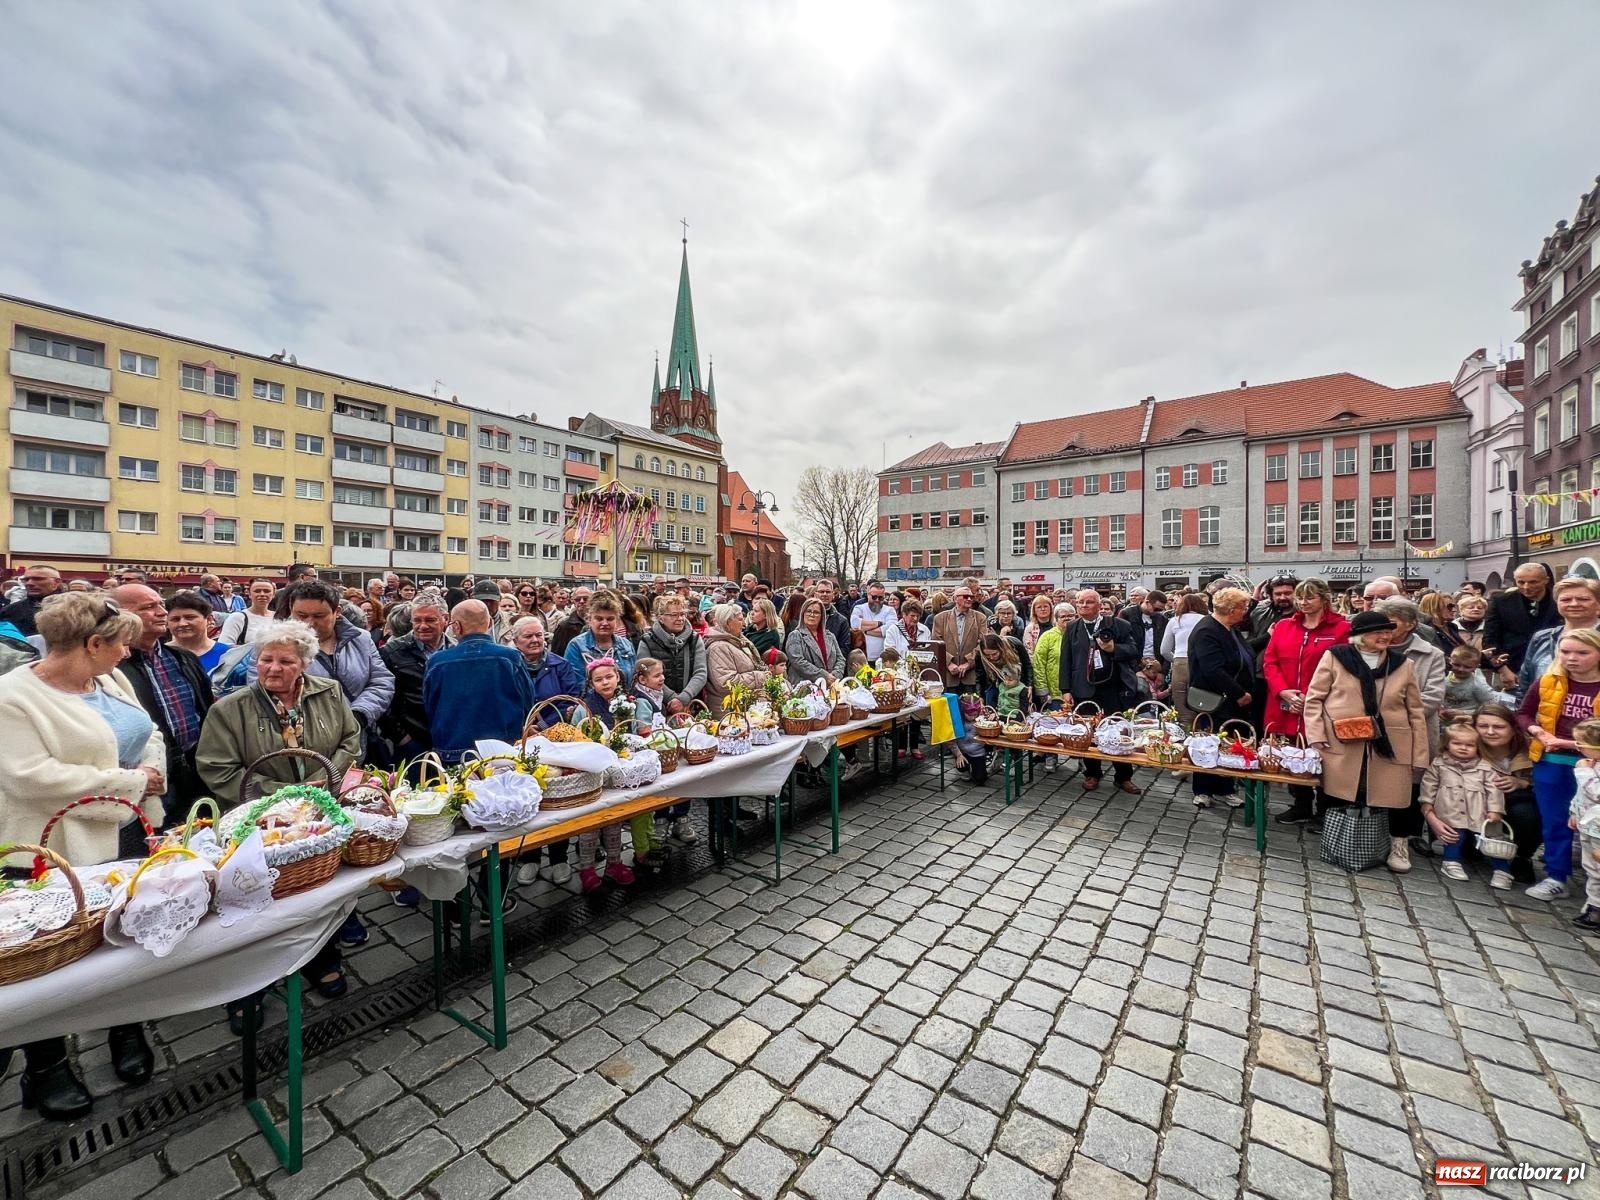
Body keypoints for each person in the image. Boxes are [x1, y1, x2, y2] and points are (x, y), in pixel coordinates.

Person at [0, 593, 163, 1119]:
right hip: (54, 849)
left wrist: (149, 775)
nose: (127, 653)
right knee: (47, 957)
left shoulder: (108, 679)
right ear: (93, 643)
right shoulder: (13, 697)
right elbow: (32, 778)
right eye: (120, 644)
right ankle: (46, 1064)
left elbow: (148, 732)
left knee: (125, 936)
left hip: (128, 833)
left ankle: (125, 1029)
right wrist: (133, 783)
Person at [195, 620, 361, 1007]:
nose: (273, 668)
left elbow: (351, 740)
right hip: (262, 823)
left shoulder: (330, 691)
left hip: (320, 814)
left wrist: (328, 779)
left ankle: (321, 957)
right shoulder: (229, 709)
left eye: (285, 661)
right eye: (266, 659)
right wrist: (284, 796)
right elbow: (218, 769)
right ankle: (248, 986)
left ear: (304, 664)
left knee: (317, 891)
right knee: (256, 902)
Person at [1303, 611, 1431, 873]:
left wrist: (1420, 754)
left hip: (1390, 740)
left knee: (1395, 795)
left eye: (1387, 631)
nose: (1385, 636)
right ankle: (1339, 840)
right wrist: (1316, 735)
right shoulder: (1335, 657)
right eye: (1377, 632)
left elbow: (1416, 713)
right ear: (1360, 637)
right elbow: (1314, 699)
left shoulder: (1402, 664)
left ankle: (1398, 844)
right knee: (1340, 792)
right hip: (1343, 738)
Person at [111, 583, 215, 822]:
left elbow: (207, 710)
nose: (162, 612)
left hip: (197, 769)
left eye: (161, 604)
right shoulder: (112, 669)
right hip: (151, 776)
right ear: (121, 614)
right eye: (149, 607)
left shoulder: (183, 658)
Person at [1516, 627, 1600, 901]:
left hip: (1593, 761)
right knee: (1555, 820)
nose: (1572, 658)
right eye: (1565, 652)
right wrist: (1538, 732)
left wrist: (1569, 743)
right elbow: (1524, 713)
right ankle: (1556, 876)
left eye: (1582, 653)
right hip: (1552, 759)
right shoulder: (1547, 680)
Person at [268, 580, 394, 763]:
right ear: (290, 610)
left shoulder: (361, 639)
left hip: (357, 740)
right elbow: (265, 694)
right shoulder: (271, 644)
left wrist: (359, 714)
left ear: (337, 612)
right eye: (301, 615)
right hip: (301, 746)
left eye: (319, 615)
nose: (309, 623)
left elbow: (381, 681)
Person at [1263, 579, 1351, 825]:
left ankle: (1325, 810)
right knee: (1293, 752)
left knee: (1324, 755)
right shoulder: (1284, 626)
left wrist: (1310, 696)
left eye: (1309, 597)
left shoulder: (1341, 628)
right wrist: (1284, 691)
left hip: (1322, 703)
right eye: (1300, 597)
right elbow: (1270, 661)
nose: (1303, 602)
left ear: (1324, 598)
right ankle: (1301, 804)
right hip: (1286, 703)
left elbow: (1341, 668)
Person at [424, 601, 537, 764]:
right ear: (489, 623)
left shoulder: (437, 661)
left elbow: (430, 706)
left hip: (452, 750)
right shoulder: (510, 657)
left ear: (457, 626)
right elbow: (528, 701)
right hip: (503, 750)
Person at [1059, 589, 1139, 793]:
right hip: (1082, 688)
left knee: (1118, 731)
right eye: (1080, 602)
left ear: (1099, 605)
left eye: (1088, 602)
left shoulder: (1118, 625)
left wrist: (1113, 648)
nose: (1083, 606)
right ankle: (1092, 773)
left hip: (1111, 688)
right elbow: (1066, 659)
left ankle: (1123, 776)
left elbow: (1133, 650)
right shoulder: (1072, 627)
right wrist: (1065, 689)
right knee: (1087, 733)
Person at [1187, 587, 1258, 810]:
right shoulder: (1207, 630)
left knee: (1228, 744)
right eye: (1243, 607)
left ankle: (1225, 788)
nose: (1245, 611)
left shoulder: (1229, 628)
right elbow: (1213, 669)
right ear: (1231, 609)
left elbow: (1244, 653)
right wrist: (1239, 693)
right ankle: (1203, 789)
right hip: (1215, 698)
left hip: (1231, 700)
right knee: (1208, 742)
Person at [1421, 721, 1510, 888]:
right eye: (1457, 743)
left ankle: (1502, 870)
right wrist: (1427, 802)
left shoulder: (1485, 768)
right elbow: (1429, 784)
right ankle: (1451, 860)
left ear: (1478, 747)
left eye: (1469, 745)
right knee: (1454, 835)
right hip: (1450, 810)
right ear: (1447, 744)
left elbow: (1494, 790)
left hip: (1480, 812)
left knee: (1492, 840)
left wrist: (1495, 810)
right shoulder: (1439, 765)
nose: (1463, 748)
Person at [378, 596, 449, 763]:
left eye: (430, 620)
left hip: (449, 739)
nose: (422, 626)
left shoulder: (456, 650)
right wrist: (401, 737)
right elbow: (382, 697)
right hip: (411, 742)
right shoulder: (392, 653)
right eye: (417, 620)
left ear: (445, 619)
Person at [1375, 598, 1448, 759]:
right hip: (1375, 733)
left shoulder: (1432, 655)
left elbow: (1433, 696)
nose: (1385, 628)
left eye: (1392, 623)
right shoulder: (1368, 652)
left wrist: (1392, 717)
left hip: (1416, 732)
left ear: (1410, 624)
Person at [1473, 704, 1539, 884]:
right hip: (1476, 807)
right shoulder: (1467, 746)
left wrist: (1522, 782)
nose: (1490, 732)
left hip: (1515, 804)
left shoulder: (1531, 749)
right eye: (1483, 726)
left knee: (1528, 813)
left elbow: (1545, 786)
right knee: (1470, 854)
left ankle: (1522, 856)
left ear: (1513, 728)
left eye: (1499, 727)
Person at [1513, 577, 1600, 700]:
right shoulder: (1541, 638)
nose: (1574, 604)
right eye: (1566, 599)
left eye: (1583, 599)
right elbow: (1525, 686)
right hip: (1543, 710)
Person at [1485, 564, 1560, 675]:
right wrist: (1502, 669)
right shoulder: (1501, 602)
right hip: (1512, 667)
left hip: (1555, 665)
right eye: (1521, 582)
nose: (1526, 587)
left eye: (1533, 582)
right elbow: (1490, 638)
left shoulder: (1559, 601)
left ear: (1546, 580)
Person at [639, 595, 708, 717]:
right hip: (657, 706)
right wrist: (671, 698)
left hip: (689, 706)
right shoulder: (647, 640)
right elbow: (645, 673)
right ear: (661, 618)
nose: (680, 619)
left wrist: (684, 698)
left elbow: (701, 672)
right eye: (674, 615)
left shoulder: (694, 639)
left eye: (682, 614)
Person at [703, 603, 776, 712]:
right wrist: (759, 677)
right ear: (727, 622)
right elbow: (726, 683)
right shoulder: (718, 647)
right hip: (728, 711)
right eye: (740, 620)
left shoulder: (738, 641)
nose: (744, 624)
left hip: (742, 706)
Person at [1567, 718, 1600, 931]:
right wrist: (1574, 812)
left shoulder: (1588, 768)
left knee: (1597, 870)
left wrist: (1584, 772)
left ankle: (1596, 910)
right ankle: (1594, 903)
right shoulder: (1592, 763)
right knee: (1590, 867)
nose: (1578, 747)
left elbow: (1596, 792)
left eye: (1581, 744)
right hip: (1588, 825)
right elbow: (1581, 795)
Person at [1161, 594, 1209, 722]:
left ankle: (1185, 727)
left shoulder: (1175, 621)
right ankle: (1204, 728)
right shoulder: (1206, 620)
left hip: (1180, 662)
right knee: (1203, 700)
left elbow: (1164, 650)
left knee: (1180, 703)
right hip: (1202, 663)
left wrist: (1176, 660)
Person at [932, 586, 988, 692]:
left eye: (971, 597)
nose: (969, 599)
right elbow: (936, 643)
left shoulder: (980, 618)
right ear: (955, 598)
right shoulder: (940, 618)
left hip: (971, 677)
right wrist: (948, 663)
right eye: (966, 596)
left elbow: (983, 643)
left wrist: (969, 663)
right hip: (948, 675)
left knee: (971, 702)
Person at [785, 597, 845, 687]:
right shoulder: (795, 635)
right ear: (803, 613)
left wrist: (835, 675)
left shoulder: (830, 636)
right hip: (806, 687)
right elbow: (798, 661)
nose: (812, 615)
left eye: (816, 612)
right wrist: (824, 676)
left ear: (822, 616)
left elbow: (840, 659)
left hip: (830, 685)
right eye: (808, 611)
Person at [165, 589, 228, 673]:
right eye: (175, 619)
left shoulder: (228, 655)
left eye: (189, 617)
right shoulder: (157, 656)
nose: (182, 624)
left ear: (209, 619)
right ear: (167, 623)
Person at [0, 564, 64, 636]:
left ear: (57, 582)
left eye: (38, 579)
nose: (29, 583)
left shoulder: (72, 608)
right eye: (26, 580)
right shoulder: (10, 611)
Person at [978, 633, 1032, 715]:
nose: (991, 658)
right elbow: (980, 677)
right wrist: (980, 697)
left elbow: (1027, 665)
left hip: (1017, 681)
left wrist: (1029, 685)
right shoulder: (980, 655)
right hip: (995, 683)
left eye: (994, 654)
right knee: (993, 712)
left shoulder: (1015, 644)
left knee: (1018, 711)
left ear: (1001, 648)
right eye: (987, 655)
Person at [1246, 575, 1298, 657]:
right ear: (1271, 596)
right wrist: (1253, 602)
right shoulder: (1260, 613)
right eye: (1278, 594)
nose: (1282, 597)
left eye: (1287, 593)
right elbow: (1242, 645)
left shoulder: (1307, 617)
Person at [1441, 645, 1495, 721]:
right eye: (1456, 665)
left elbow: (1490, 707)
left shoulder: (1478, 685)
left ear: (1476, 666)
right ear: (1450, 661)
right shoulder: (1443, 678)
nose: (1461, 669)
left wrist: (1464, 712)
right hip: (1443, 719)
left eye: (1467, 667)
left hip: (1467, 721)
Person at [220, 578, 277, 647]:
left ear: (273, 594)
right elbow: (223, 646)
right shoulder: (237, 618)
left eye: (267, 591)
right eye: (257, 591)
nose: (262, 594)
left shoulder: (279, 617)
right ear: (249, 594)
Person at [1121, 589, 1171, 665]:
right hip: (1134, 662)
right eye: (1156, 609)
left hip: (1156, 662)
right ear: (1147, 602)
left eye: (1161, 610)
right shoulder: (1127, 614)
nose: (1158, 612)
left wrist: (1163, 669)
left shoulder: (1162, 619)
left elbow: (1166, 643)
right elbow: (1122, 641)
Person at [812, 580, 855, 667]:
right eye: (821, 591)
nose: (825, 594)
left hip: (832, 667)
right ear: (815, 594)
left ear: (833, 594)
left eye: (828, 592)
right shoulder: (805, 617)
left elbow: (844, 649)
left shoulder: (841, 621)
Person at [850, 582, 895, 661]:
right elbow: (854, 624)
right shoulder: (859, 608)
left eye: (880, 598)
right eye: (874, 597)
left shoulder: (890, 610)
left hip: (883, 659)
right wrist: (880, 623)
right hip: (862, 659)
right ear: (868, 595)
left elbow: (890, 629)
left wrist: (865, 631)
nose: (877, 600)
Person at [549, 587, 592, 655]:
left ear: (592, 600)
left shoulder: (598, 623)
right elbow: (556, 654)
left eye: (585, 599)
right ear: (573, 601)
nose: (581, 601)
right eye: (578, 599)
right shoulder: (564, 626)